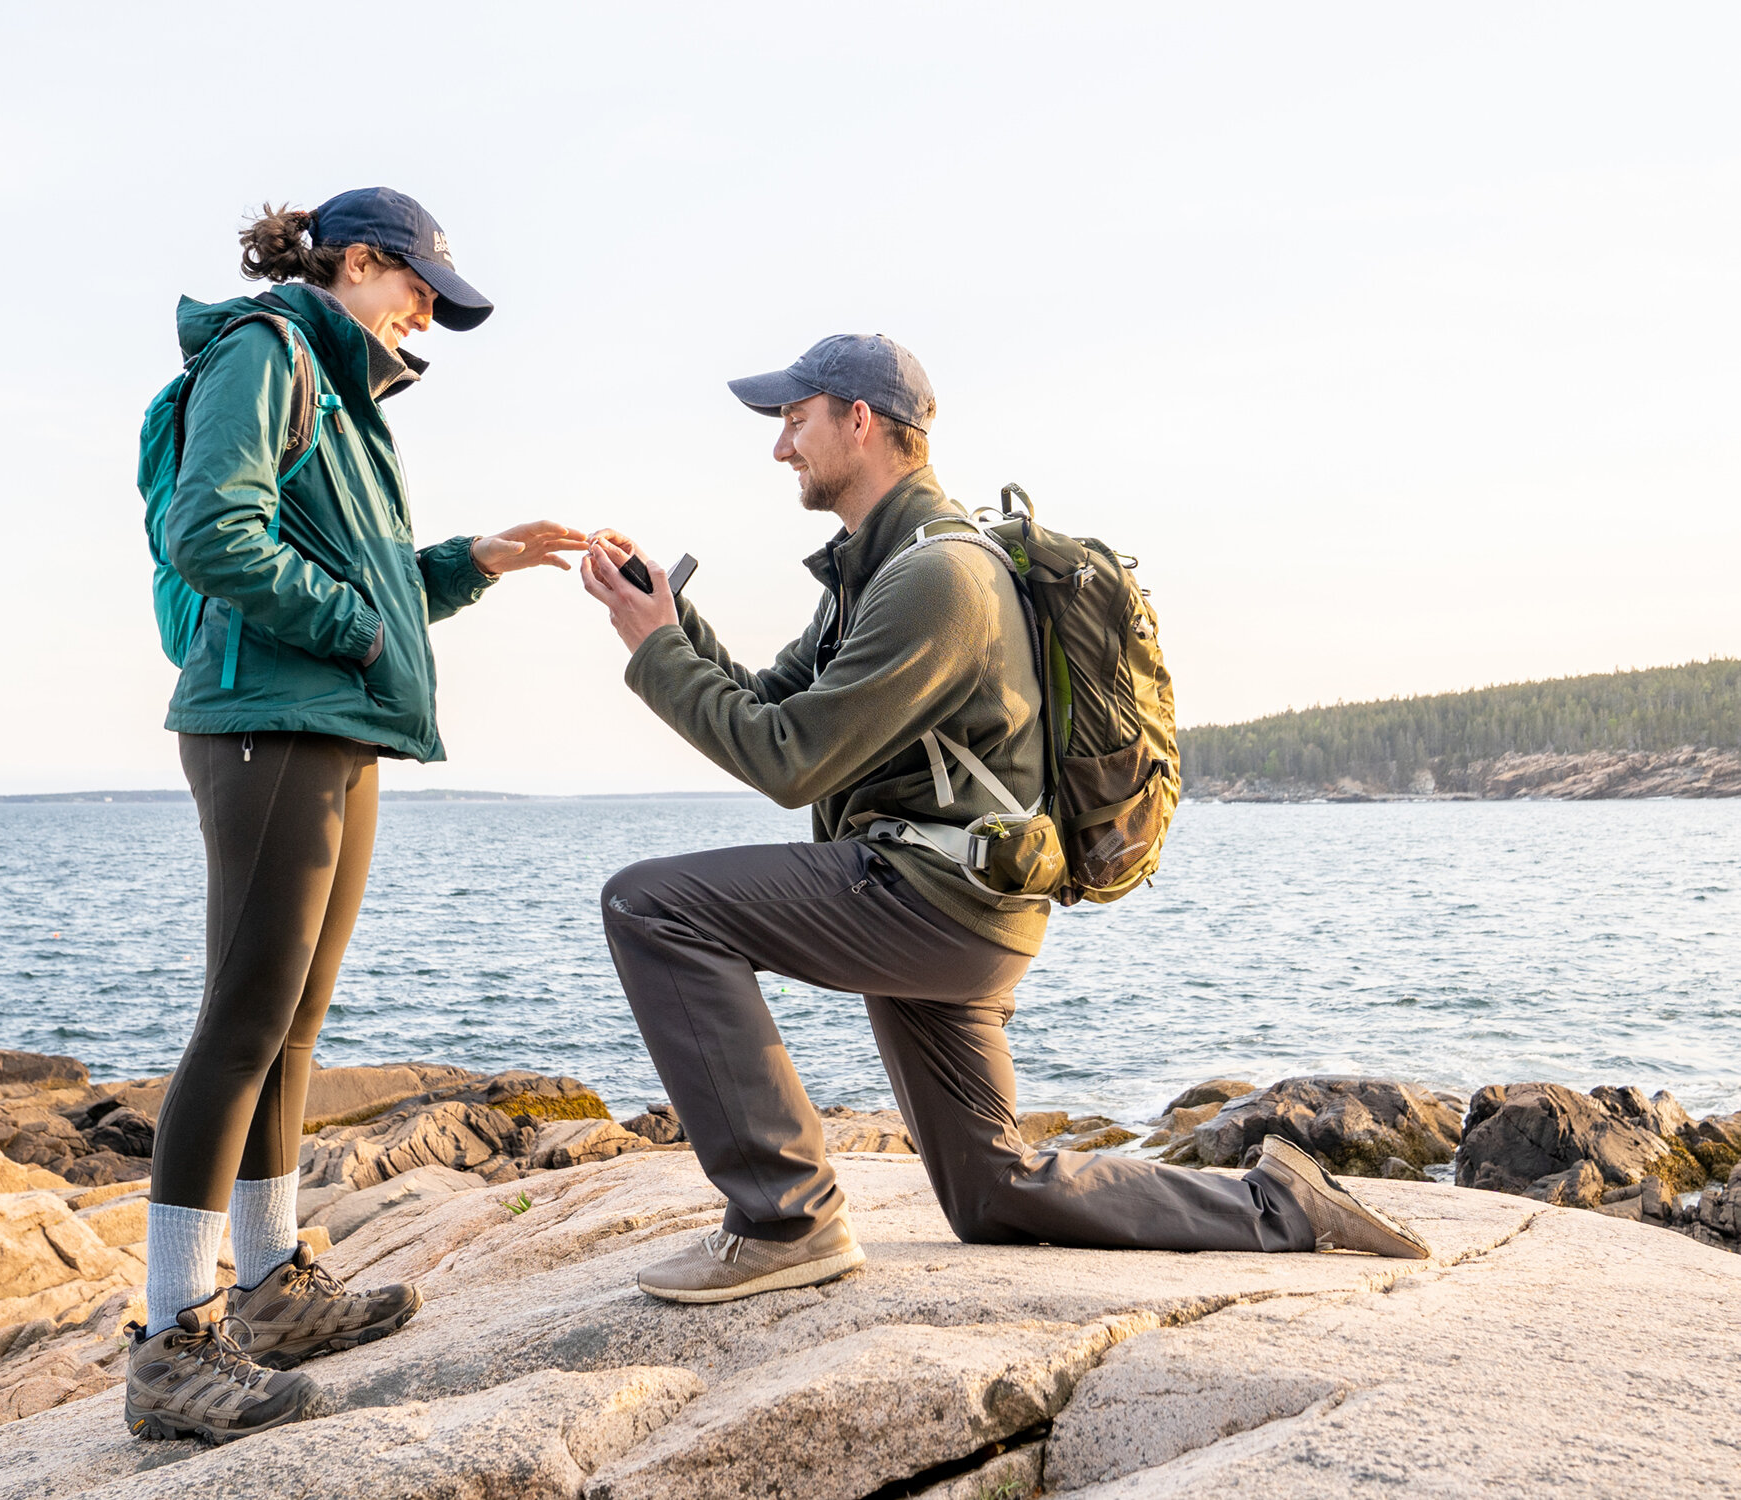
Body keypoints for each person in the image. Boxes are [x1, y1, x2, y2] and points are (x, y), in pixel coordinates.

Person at [577, 333, 1431, 1305]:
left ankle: (785, 1217)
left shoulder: (938, 579)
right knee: (992, 1193)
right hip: (960, 901)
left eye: (794, 420)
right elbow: (772, 705)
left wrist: (654, 654)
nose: (780, 448)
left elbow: (787, 761)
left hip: (934, 900)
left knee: (649, 907)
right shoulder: (879, 566)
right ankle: (1280, 1204)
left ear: (860, 422)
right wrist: (666, 624)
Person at [127, 187, 588, 1442]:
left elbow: (354, 565)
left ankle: (275, 1290)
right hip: (265, 722)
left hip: (332, 726)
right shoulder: (267, 352)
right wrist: (360, 631)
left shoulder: (338, 388)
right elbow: (213, 534)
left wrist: (468, 564)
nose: (428, 313)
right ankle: (173, 1346)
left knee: (292, 1026)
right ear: (362, 262)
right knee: (241, 1022)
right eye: (422, 288)